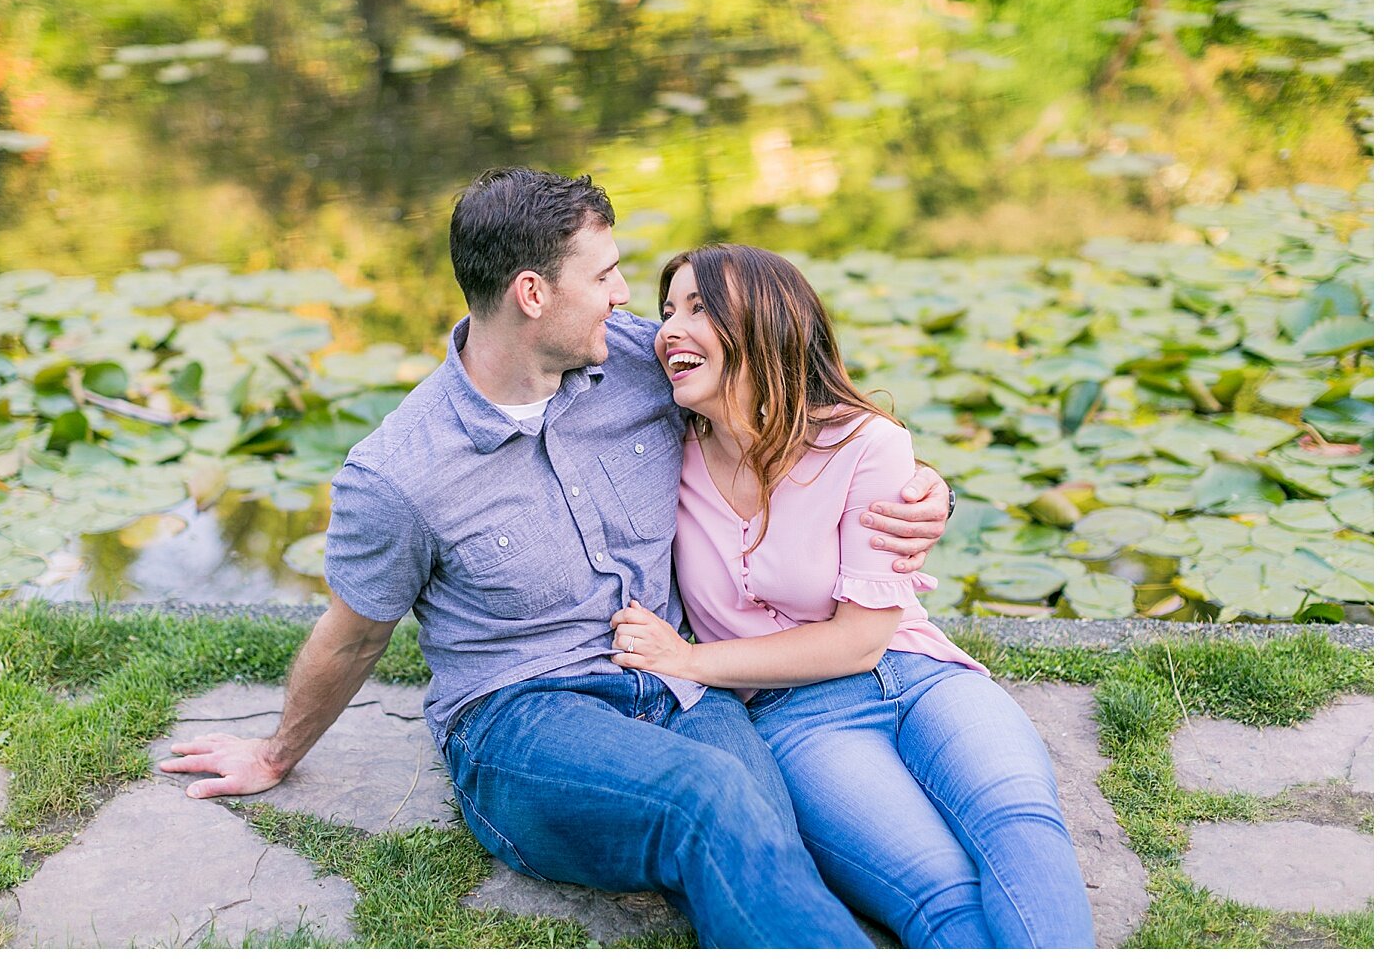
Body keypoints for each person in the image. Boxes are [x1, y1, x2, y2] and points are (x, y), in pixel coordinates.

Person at [159, 168, 954, 947]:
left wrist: (921, 483)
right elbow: (356, 634)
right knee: (708, 798)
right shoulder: (400, 472)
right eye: (605, 274)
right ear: (532, 294)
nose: (623, 295)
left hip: (678, 681)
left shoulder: (644, 361)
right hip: (521, 716)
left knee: (758, 816)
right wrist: (274, 752)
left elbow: (781, 392)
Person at [607, 243, 1096, 948]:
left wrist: (690, 660)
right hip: (802, 721)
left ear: (763, 323)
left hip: (922, 673)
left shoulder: (867, 443)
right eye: (666, 310)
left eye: (699, 307)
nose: (669, 329)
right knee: (941, 891)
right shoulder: (660, 457)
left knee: (1019, 822)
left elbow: (863, 636)